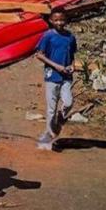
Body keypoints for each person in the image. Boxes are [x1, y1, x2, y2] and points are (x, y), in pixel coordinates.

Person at [35, 8, 77, 150]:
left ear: (66, 20)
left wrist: (72, 65)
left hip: (66, 76)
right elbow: (39, 54)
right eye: (56, 20)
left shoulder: (70, 37)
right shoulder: (48, 36)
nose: (60, 22)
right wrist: (56, 66)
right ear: (51, 21)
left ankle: (61, 118)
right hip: (52, 75)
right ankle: (48, 137)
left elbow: (71, 55)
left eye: (62, 20)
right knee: (51, 109)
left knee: (69, 102)